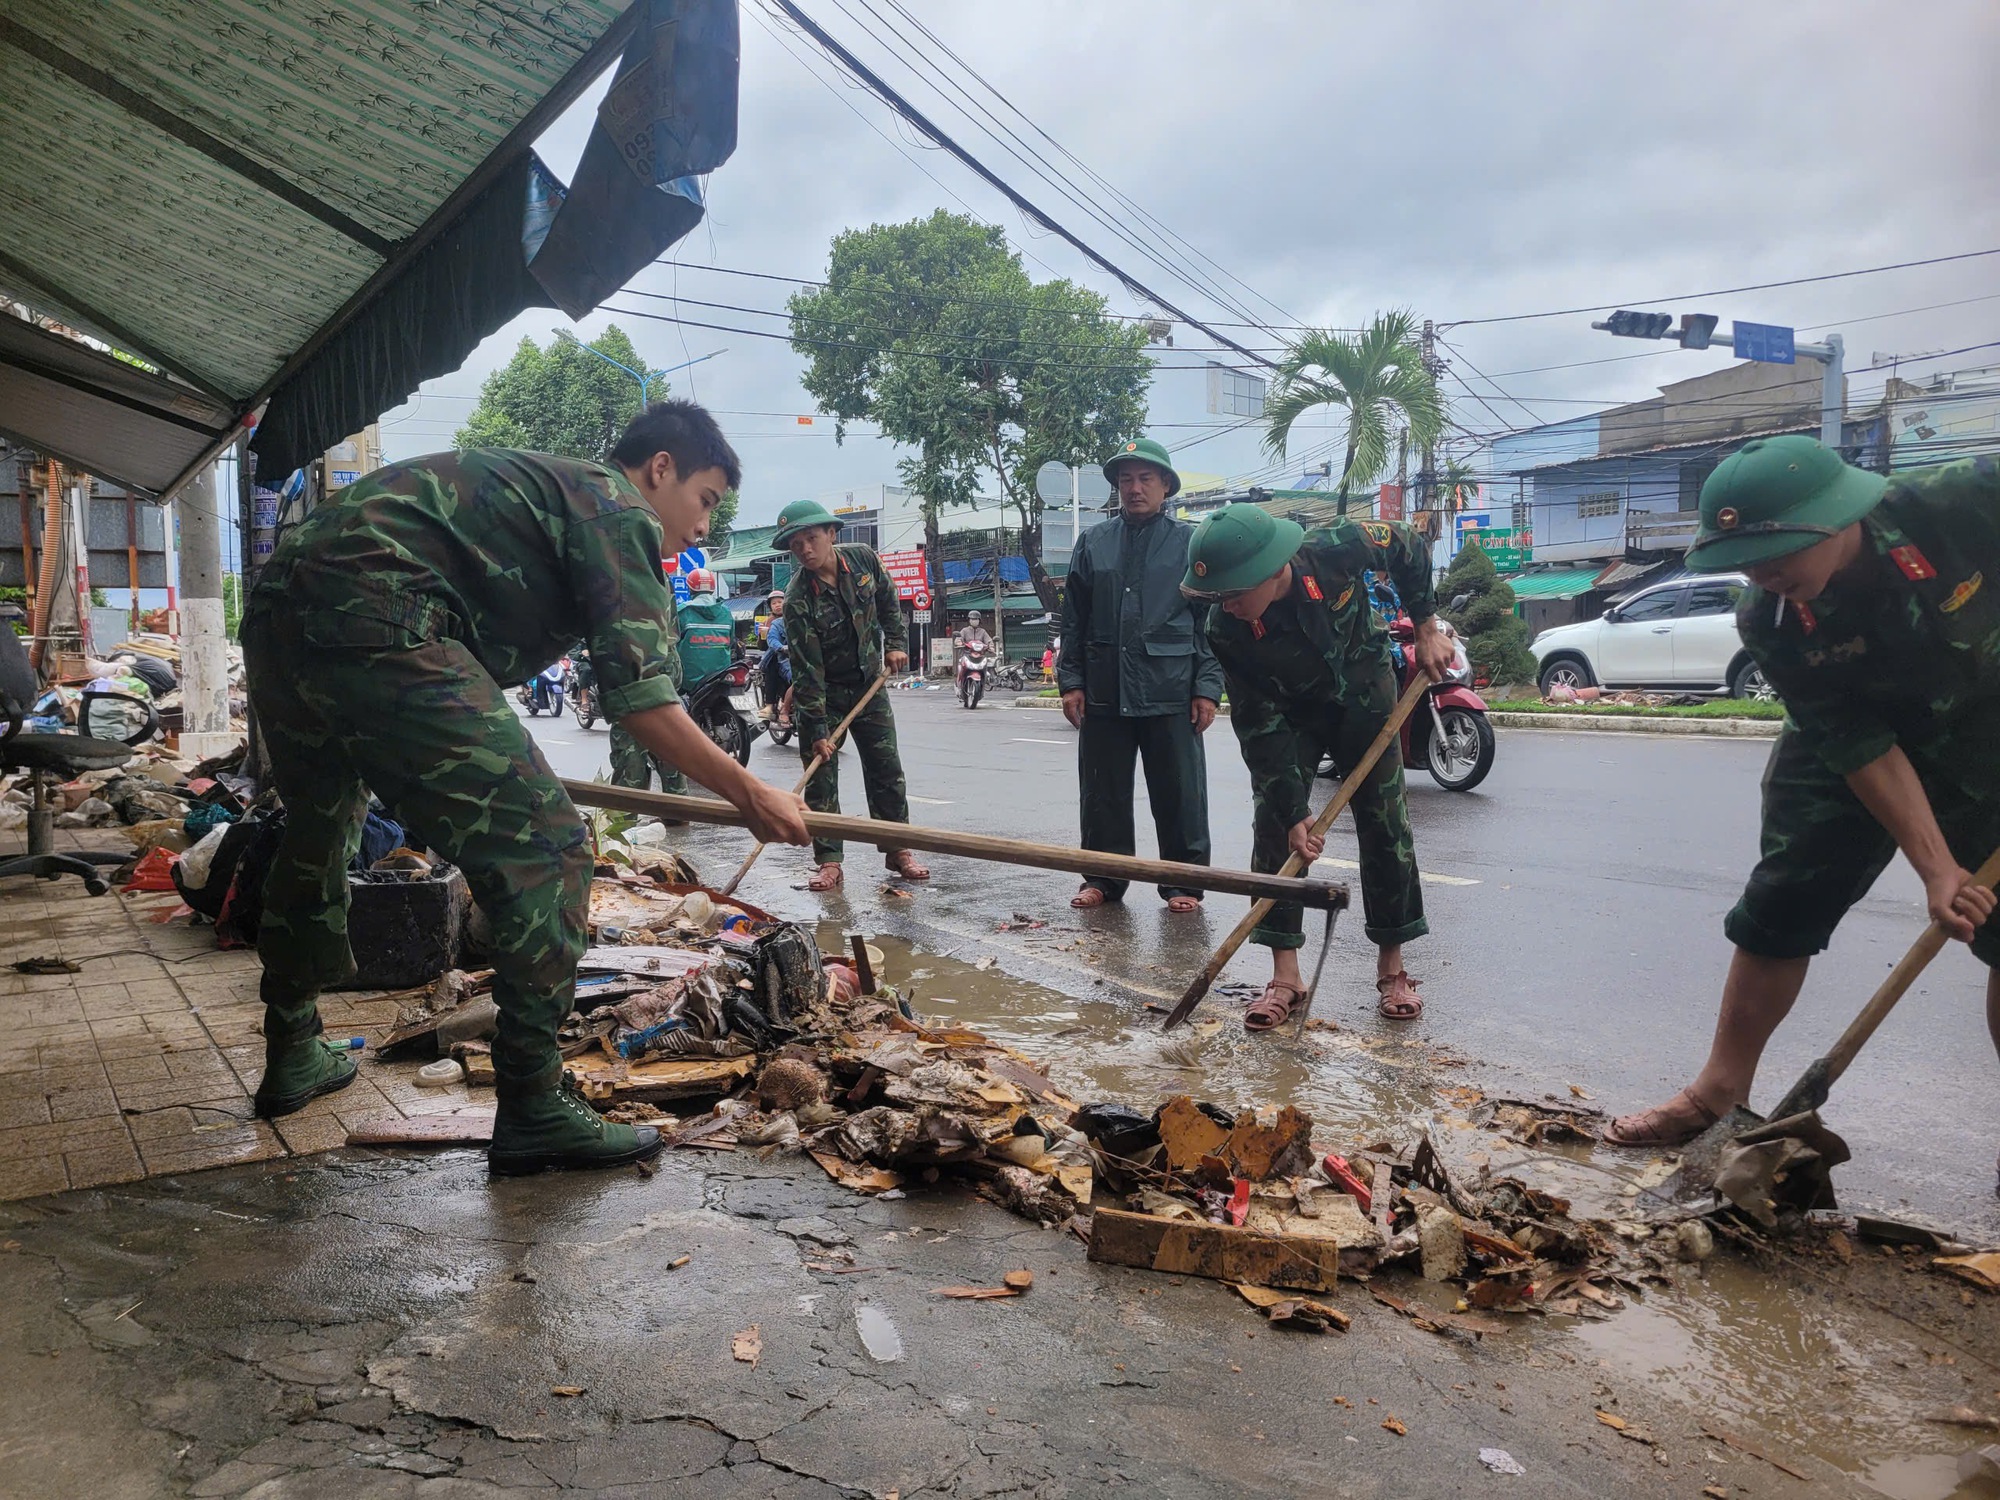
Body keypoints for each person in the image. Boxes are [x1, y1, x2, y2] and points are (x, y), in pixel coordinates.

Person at [241, 401, 810, 1175]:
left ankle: (293, 1045)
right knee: (548, 847)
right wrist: (752, 796)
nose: (704, 526)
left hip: (279, 606)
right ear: (662, 468)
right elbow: (642, 701)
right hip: (386, 608)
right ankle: (537, 1103)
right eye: (706, 500)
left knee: (319, 824)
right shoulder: (618, 510)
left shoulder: (553, 492)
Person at [1606, 439, 2000, 1162]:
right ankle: (1716, 1094)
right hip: (1852, 739)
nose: (1761, 573)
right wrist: (1937, 867)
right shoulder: (1770, 618)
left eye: (1778, 551)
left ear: (1836, 517)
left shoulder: (1966, 496)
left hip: (1986, 722)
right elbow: (1858, 747)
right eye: (1746, 558)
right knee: (1783, 897)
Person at [1184, 504, 1452, 1028]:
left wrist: (1426, 625)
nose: (1227, 605)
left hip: (1364, 696)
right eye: (1219, 596)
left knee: (1385, 819)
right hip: (1291, 713)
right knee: (1275, 827)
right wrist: (1292, 812)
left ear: (1272, 570)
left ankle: (1393, 968)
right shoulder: (1227, 629)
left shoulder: (1338, 544)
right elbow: (1258, 725)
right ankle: (1286, 977)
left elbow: (1409, 546)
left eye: (1235, 593)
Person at [1056, 438, 1222, 913]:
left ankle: (1183, 881)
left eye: (1145, 478)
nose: (1134, 488)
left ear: (1166, 485)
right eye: (1125, 479)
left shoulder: (1191, 542)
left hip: (1170, 686)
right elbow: (1074, 619)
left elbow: (1208, 623)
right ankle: (1104, 880)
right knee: (1102, 791)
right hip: (1104, 687)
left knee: (1180, 792)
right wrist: (1072, 681)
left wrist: (1206, 687)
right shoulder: (1094, 541)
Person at [775, 499, 930, 891]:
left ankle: (898, 849)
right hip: (824, 693)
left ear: (831, 533)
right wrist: (817, 728)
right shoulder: (797, 599)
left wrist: (896, 643)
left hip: (869, 685)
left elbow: (888, 601)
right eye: (796, 545)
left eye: (811, 538)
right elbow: (806, 670)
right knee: (821, 776)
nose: (805, 550)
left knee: (886, 769)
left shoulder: (862, 560)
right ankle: (829, 860)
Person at [675, 566, 736, 687]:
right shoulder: (726, 612)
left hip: (687, 683)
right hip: (720, 678)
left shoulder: (682, 611)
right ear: (712, 588)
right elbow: (731, 641)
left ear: (690, 588)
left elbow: (670, 645)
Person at [760, 587, 792, 730]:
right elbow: (767, 643)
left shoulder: (795, 618)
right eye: (774, 603)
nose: (778, 605)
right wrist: (763, 635)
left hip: (798, 656)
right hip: (777, 656)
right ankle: (770, 705)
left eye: (780, 601)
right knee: (772, 669)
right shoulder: (773, 623)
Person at [953, 610, 994, 694]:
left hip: (979, 656)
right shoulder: (964, 631)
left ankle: (984, 683)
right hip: (966, 655)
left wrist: (991, 646)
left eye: (976, 619)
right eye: (972, 619)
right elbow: (959, 639)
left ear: (979, 620)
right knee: (960, 668)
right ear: (969, 620)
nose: (974, 621)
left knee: (987, 668)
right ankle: (959, 684)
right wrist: (959, 642)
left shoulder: (982, 632)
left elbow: (989, 640)